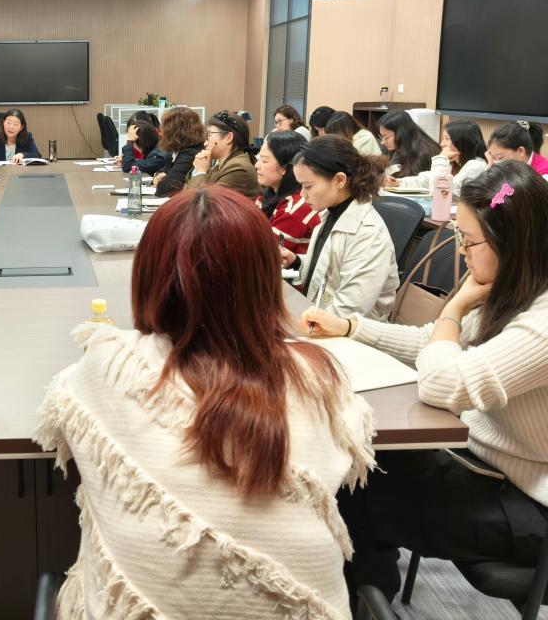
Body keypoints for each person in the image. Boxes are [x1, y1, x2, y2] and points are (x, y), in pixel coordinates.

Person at [34, 186, 375, 619]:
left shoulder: (109, 363)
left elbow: (62, 414)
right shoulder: (318, 377)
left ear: (149, 276)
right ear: (265, 281)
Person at [301, 161, 548, 606]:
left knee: (357, 489)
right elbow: (432, 344)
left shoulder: (541, 322)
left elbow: (441, 381)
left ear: (512, 244)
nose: (462, 252)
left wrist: (455, 307)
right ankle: (365, 598)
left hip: (530, 505)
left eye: (469, 241)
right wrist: (352, 328)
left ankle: (362, 602)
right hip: (483, 465)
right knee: (357, 469)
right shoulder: (514, 289)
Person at [281, 135, 399, 320]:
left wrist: (298, 326)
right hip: (322, 318)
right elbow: (327, 271)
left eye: (308, 186)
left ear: (339, 180)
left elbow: (349, 311)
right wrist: (297, 262)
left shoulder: (368, 235)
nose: (302, 195)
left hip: (349, 332)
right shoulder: (331, 213)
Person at [255, 130, 320, 255]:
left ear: (285, 168)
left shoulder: (296, 208)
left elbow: (261, 253)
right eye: (259, 158)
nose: (257, 165)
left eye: (264, 161)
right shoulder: (269, 196)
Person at [385, 119, 487, 195]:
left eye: (447, 139)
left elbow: (440, 193)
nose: (442, 144)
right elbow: (427, 179)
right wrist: (399, 182)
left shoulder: (476, 166)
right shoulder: (456, 163)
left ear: (462, 141)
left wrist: (441, 159)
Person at [188, 111, 260, 198]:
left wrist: (200, 171)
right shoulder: (221, 163)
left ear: (229, 137)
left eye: (209, 135)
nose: (205, 143)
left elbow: (202, 202)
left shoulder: (238, 168)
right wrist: (198, 171)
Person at [152, 107, 204, 196]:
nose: (161, 130)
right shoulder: (181, 149)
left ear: (174, 130)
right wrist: (160, 177)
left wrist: (162, 181)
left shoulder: (190, 154)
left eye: (164, 126)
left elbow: (165, 189)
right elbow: (165, 172)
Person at [377, 110, 440, 178]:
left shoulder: (424, 154)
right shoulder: (395, 147)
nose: (382, 142)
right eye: (381, 137)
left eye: (386, 137)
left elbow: (412, 181)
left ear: (401, 133)